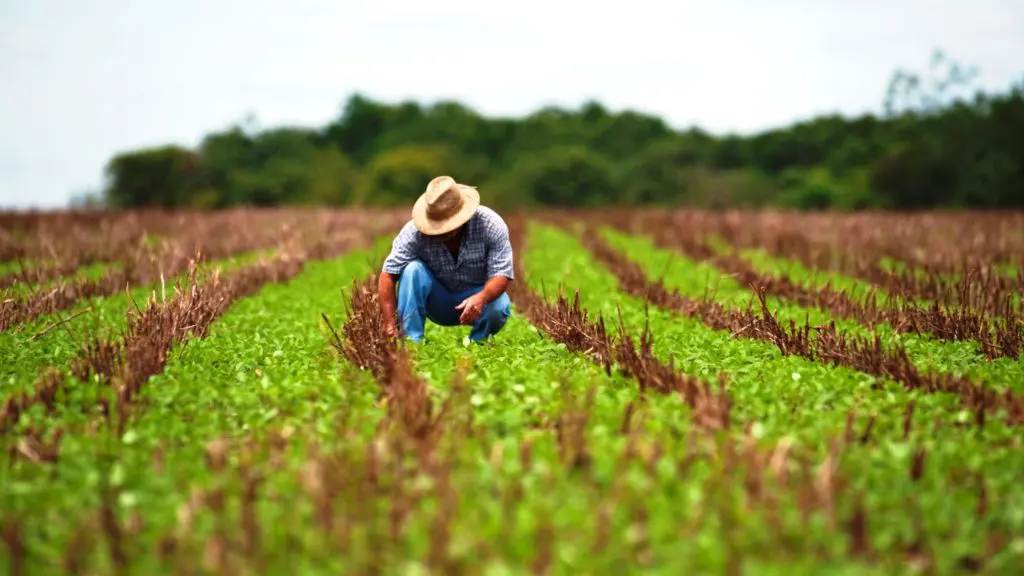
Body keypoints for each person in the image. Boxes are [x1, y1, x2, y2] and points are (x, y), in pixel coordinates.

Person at [378, 175, 514, 343]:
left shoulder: (490, 225)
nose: (446, 230)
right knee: (412, 270)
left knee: (499, 306)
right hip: (437, 301)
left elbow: (501, 274)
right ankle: (411, 343)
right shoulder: (413, 233)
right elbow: (388, 275)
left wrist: (481, 298)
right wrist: (390, 325)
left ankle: (477, 344)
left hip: (477, 297)